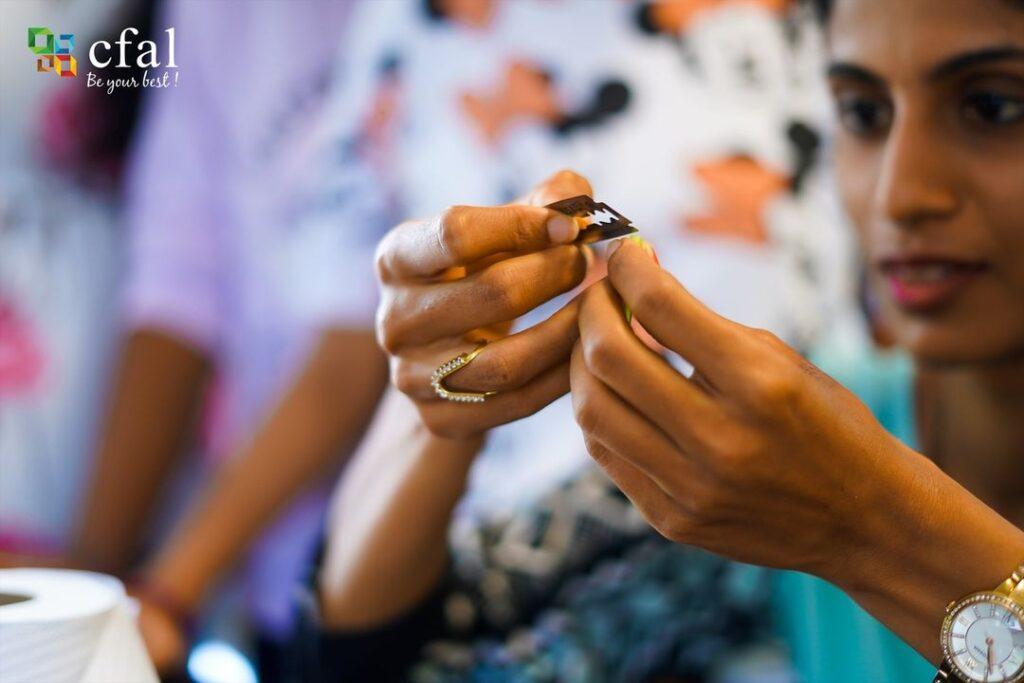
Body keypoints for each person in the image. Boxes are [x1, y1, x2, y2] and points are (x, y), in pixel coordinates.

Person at [329, 0, 1024, 680]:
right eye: (863, 113)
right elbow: (413, 655)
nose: (900, 194)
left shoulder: (837, 483)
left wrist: (874, 528)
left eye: (994, 107)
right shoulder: (804, 442)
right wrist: (440, 399)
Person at [64, 1, 389, 678]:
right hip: (288, 582)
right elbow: (177, 282)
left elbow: (359, 350)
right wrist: (91, 588)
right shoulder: (210, 15)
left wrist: (167, 590)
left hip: (449, 563)